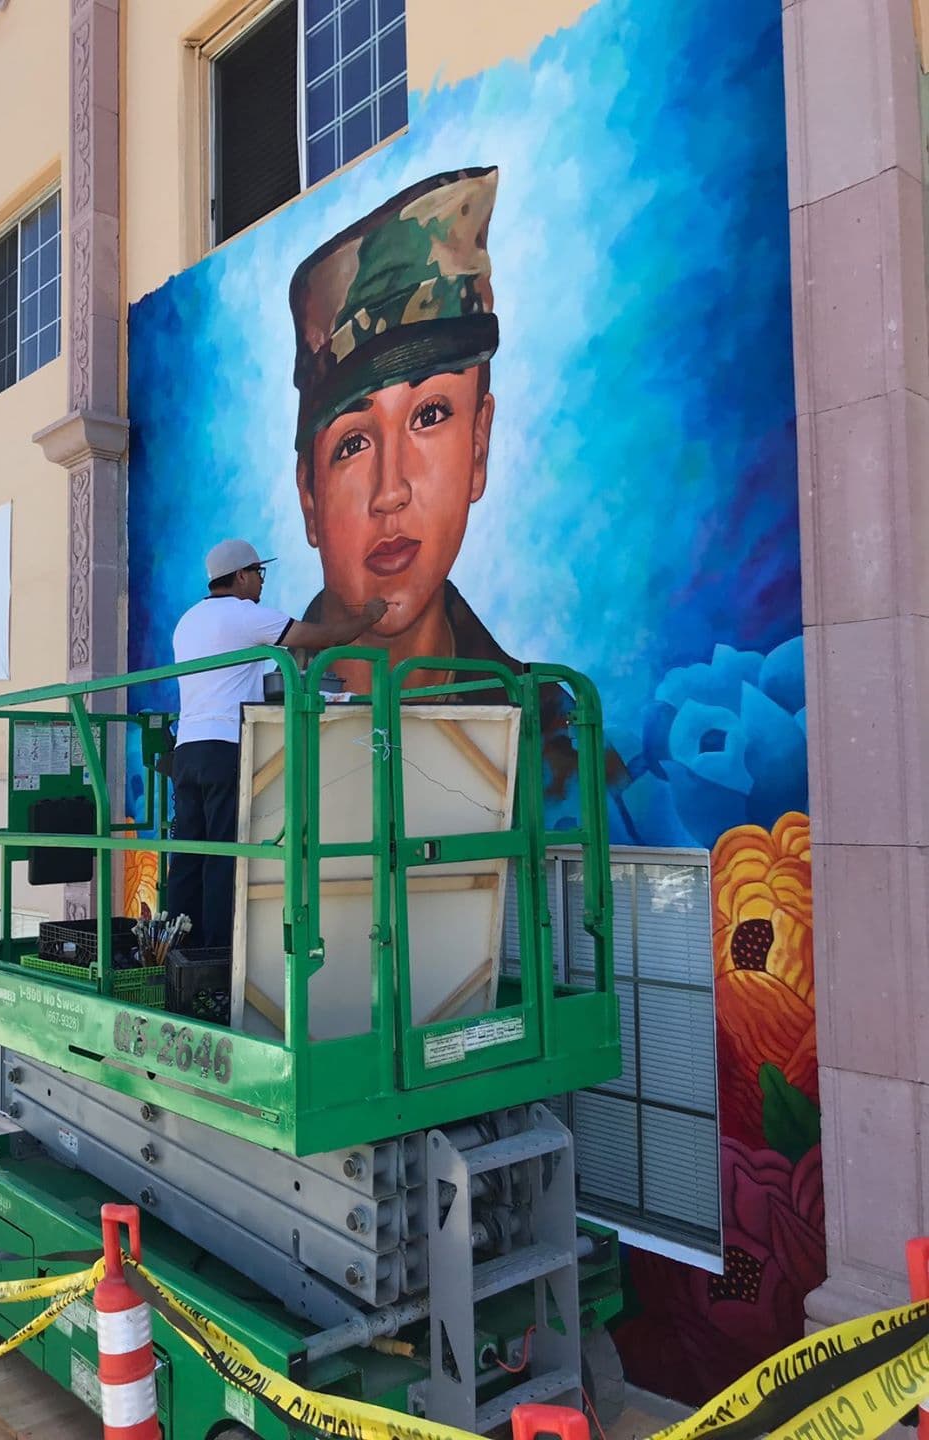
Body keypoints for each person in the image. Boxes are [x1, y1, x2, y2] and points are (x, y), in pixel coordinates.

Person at [288, 166, 628, 802]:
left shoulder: (559, 741)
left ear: (478, 447)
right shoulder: (265, 713)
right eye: (353, 443)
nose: (392, 491)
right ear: (310, 494)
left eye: (430, 415)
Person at [166, 537, 387, 951]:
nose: (262, 583)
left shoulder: (189, 620)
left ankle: (177, 951)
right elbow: (319, 636)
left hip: (188, 749)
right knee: (222, 857)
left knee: (187, 855)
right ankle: (215, 957)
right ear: (242, 576)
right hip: (224, 746)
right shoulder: (245, 615)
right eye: (259, 574)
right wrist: (369, 618)